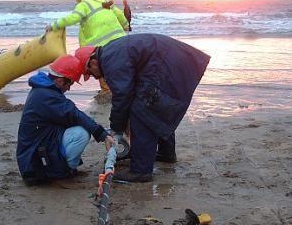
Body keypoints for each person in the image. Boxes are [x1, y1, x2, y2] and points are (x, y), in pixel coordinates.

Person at [75, 33, 211, 182]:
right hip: (177, 60)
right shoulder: (111, 53)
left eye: (91, 74)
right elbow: (128, 89)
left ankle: (141, 170)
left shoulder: (110, 62)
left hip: (171, 63)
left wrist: (116, 128)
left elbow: (122, 96)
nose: (95, 77)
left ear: (93, 62)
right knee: (156, 107)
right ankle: (166, 153)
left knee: (143, 111)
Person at [16, 55, 114, 185]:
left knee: (78, 126)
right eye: (70, 83)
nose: (69, 89)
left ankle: (60, 168)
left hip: (33, 156)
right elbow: (74, 114)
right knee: (81, 133)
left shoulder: (42, 90)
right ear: (60, 81)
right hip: (34, 167)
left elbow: (71, 116)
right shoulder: (48, 96)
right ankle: (62, 172)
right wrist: (101, 134)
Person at [46, 0, 129, 92]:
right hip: (120, 40)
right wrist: (126, 25)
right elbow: (119, 14)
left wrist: (54, 25)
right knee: (119, 66)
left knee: (100, 68)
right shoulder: (103, 0)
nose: (76, 0)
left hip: (102, 45)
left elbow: (73, 18)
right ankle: (122, 88)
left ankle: (107, 92)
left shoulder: (84, 5)